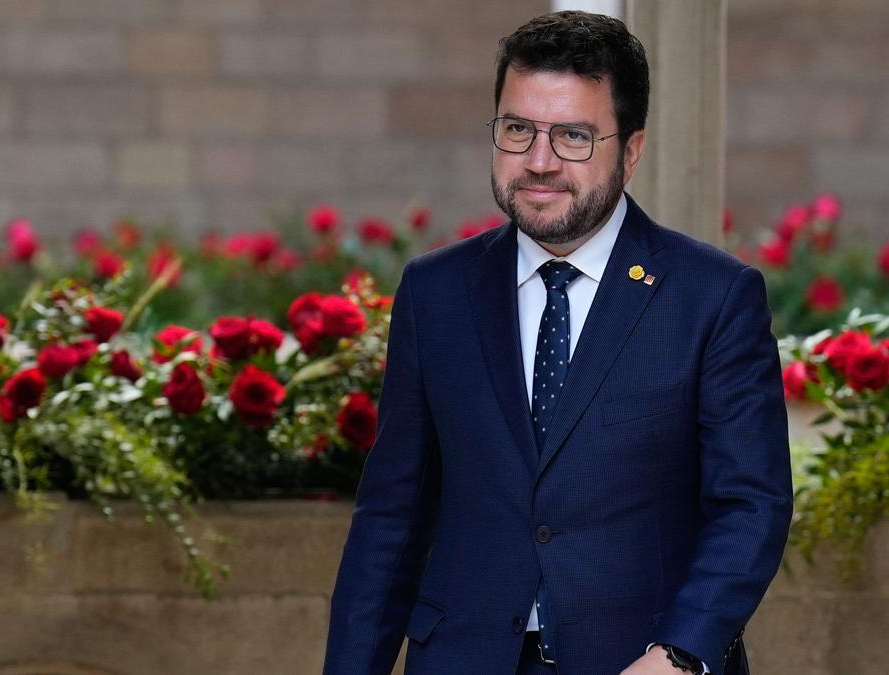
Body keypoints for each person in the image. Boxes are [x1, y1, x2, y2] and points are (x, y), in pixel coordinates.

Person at [324, 11, 791, 675]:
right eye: (518, 130)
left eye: (572, 136)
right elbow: (391, 518)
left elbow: (751, 505)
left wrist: (682, 652)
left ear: (630, 150)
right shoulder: (435, 293)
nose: (538, 162)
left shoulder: (712, 297)